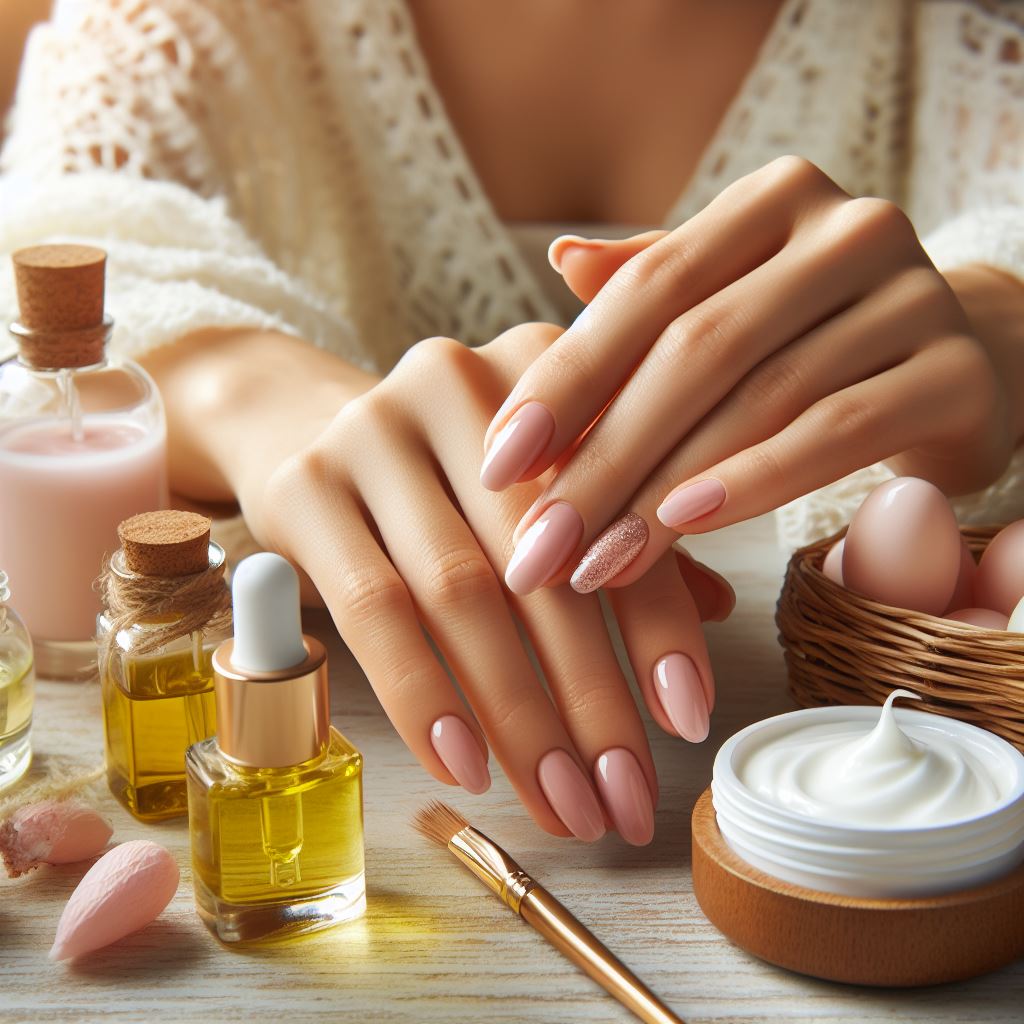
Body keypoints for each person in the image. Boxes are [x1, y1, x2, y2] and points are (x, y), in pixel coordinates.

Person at [1, 0, 1022, 845]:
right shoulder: (181, 26)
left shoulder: (959, 37)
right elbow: (73, 221)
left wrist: (996, 313)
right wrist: (248, 389)